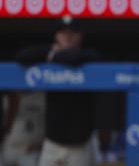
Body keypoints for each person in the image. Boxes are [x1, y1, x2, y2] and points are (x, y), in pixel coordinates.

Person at [16, 16, 100, 166]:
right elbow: (23, 55)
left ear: (80, 36)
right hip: (53, 142)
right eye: (63, 33)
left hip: (79, 143)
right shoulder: (49, 52)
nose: (67, 36)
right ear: (56, 36)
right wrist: (51, 52)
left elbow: (78, 57)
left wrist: (53, 56)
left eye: (72, 33)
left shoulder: (87, 56)